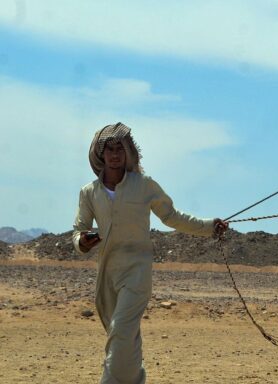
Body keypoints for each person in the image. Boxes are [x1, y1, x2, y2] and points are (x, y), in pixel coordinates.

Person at [72, 122, 228, 383]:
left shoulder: (144, 185)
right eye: (108, 149)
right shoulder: (89, 193)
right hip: (108, 274)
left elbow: (172, 216)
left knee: (121, 331)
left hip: (137, 272)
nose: (114, 154)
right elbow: (78, 231)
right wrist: (82, 242)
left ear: (127, 153)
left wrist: (209, 227)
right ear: (101, 154)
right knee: (120, 335)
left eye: (119, 148)